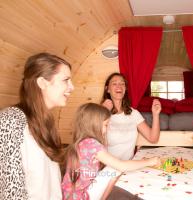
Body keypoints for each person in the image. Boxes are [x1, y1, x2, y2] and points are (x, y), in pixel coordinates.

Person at [0, 53, 74, 199]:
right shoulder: (10, 121)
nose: (72, 87)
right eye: (66, 80)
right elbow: (11, 193)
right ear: (42, 82)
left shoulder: (46, 122)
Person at [61, 103, 160, 199]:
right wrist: (150, 161)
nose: (107, 129)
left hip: (68, 195)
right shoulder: (92, 145)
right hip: (81, 197)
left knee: (110, 171)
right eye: (106, 125)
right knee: (114, 169)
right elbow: (122, 165)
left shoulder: (82, 142)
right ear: (95, 125)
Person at [101, 72, 161, 160]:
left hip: (128, 167)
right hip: (106, 167)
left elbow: (153, 138)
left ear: (125, 89)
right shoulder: (100, 112)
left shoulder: (133, 113)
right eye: (114, 83)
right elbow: (93, 140)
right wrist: (103, 112)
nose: (119, 86)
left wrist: (155, 114)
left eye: (122, 83)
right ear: (107, 89)